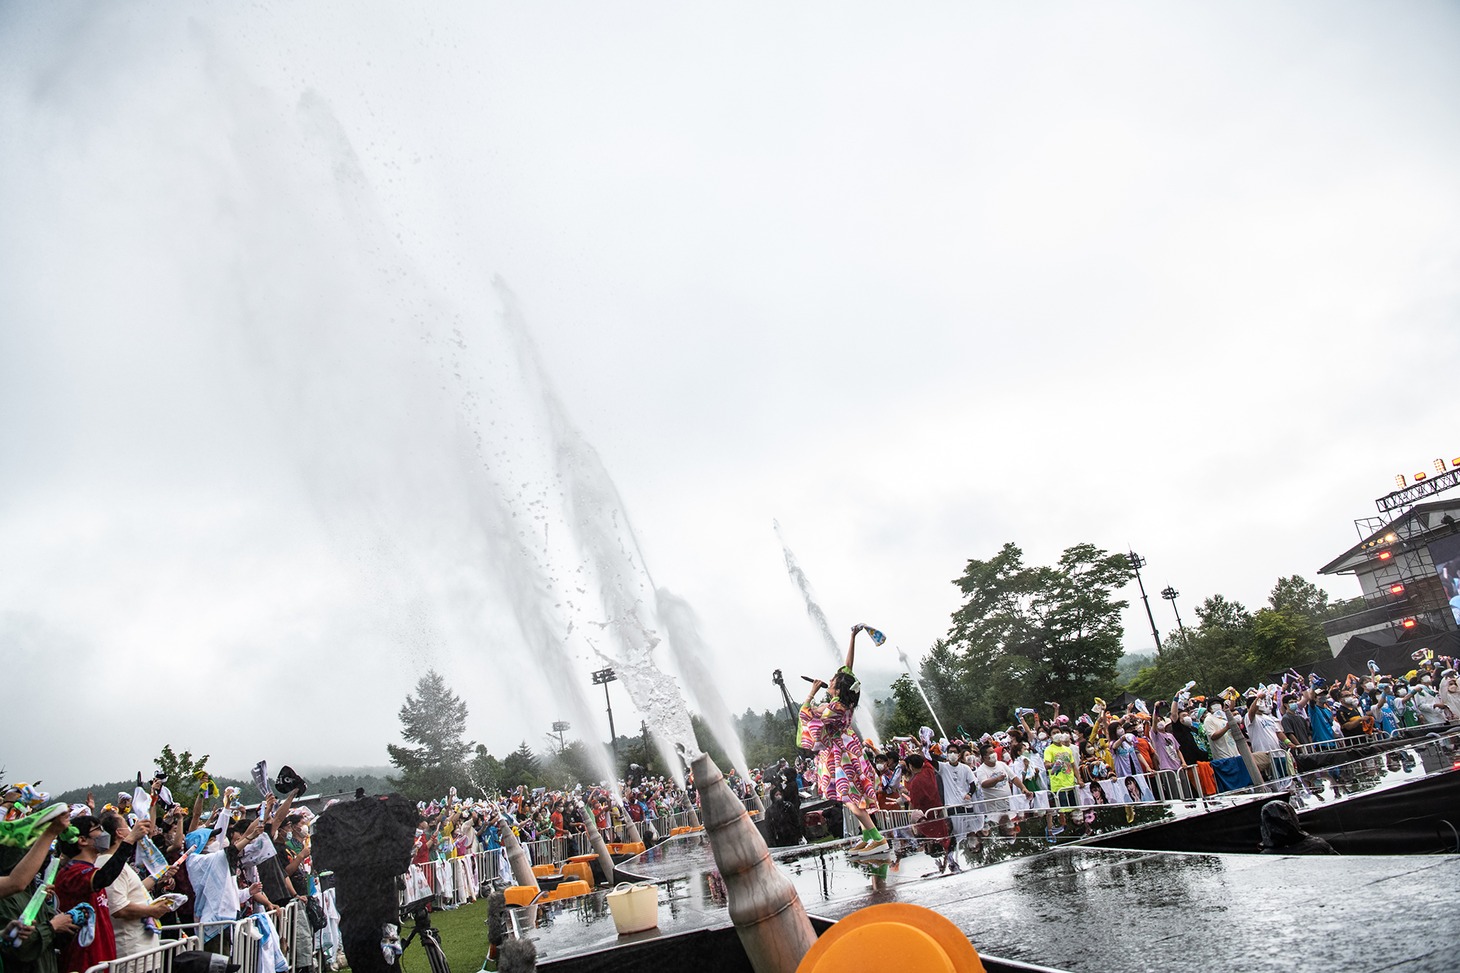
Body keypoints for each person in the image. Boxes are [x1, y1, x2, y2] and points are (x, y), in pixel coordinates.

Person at [798, 626, 885, 856]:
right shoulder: (842, 703)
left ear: (837, 688)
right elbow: (848, 667)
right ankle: (868, 837)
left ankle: (877, 838)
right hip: (846, 749)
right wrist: (852, 638)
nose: (829, 680)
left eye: (832, 680)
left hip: (842, 754)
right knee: (849, 797)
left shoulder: (836, 707)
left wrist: (811, 694)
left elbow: (807, 716)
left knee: (851, 797)